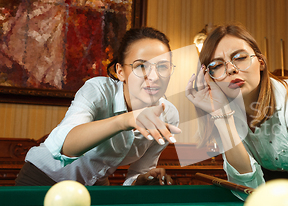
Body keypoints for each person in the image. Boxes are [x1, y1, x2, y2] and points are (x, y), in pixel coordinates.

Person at [185, 24, 288, 206]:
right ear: (209, 78)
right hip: (269, 190)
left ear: (260, 62)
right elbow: (247, 182)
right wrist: (220, 116)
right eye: (217, 65)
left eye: (240, 57)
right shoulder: (223, 112)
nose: (231, 69)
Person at [15, 27, 181, 186]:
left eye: (162, 66)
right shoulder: (98, 90)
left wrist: (144, 179)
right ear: (120, 71)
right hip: (42, 179)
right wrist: (125, 120)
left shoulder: (169, 115)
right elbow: (65, 146)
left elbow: (138, 174)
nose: (153, 76)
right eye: (141, 66)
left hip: (93, 189)